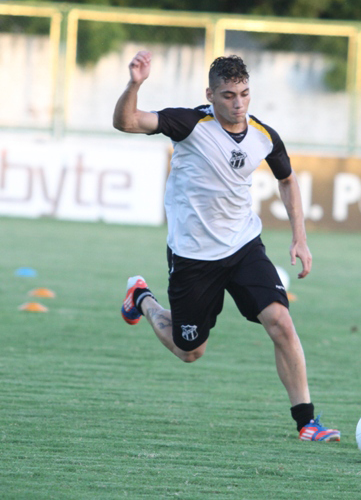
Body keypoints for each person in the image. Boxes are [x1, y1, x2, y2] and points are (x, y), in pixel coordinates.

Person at [112, 50, 340, 441]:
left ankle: (307, 422)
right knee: (190, 351)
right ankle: (143, 297)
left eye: (245, 94)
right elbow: (127, 122)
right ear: (211, 94)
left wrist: (299, 236)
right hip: (193, 256)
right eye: (229, 95)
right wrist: (135, 84)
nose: (239, 104)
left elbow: (287, 180)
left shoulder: (263, 135)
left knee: (281, 322)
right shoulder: (188, 123)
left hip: (244, 246)